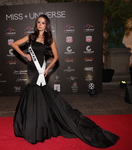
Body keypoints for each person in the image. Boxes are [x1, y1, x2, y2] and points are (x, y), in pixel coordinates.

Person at [12, 14, 119, 148]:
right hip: (31, 69)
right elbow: (14, 44)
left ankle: (40, 125)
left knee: (37, 92)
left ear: (46, 25)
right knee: (34, 93)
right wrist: (24, 55)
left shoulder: (49, 39)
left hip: (40, 70)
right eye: (38, 22)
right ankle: (35, 123)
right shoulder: (31, 37)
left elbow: (56, 57)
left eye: (43, 23)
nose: (40, 24)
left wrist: (47, 69)